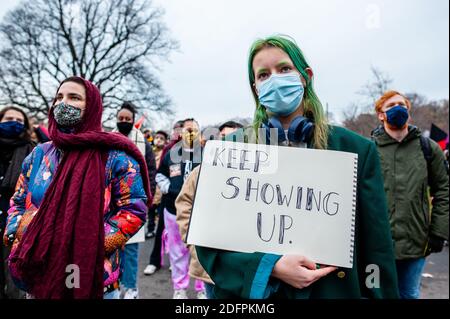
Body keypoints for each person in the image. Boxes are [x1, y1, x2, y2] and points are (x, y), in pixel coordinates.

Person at [195, 35, 399, 299]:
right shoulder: (231, 149)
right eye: (264, 75)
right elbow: (209, 246)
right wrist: (270, 267)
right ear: (256, 87)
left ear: (305, 76)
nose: (275, 79)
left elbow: (377, 249)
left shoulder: (356, 149)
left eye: (284, 69)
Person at [2, 76, 152, 299]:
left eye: (74, 97)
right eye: (59, 97)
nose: (64, 103)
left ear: (91, 106)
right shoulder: (39, 154)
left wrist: (93, 242)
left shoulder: (114, 156)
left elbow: (134, 208)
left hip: (92, 271)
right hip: (39, 268)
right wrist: (20, 232)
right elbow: (18, 200)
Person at [372, 90, 449, 299]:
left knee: (409, 293)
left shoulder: (427, 148)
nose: (398, 109)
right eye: (391, 106)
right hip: (379, 242)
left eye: (402, 105)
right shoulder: (370, 148)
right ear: (381, 114)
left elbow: (443, 189)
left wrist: (439, 232)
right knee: (378, 295)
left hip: (417, 241)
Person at [175, 121, 242, 299]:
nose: (230, 141)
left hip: (243, 269)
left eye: (236, 137)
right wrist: (193, 244)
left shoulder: (255, 175)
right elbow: (184, 207)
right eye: (225, 137)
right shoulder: (200, 172)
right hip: (210, 266)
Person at [156, 118, 206, 299]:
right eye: (187, 130)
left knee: (200, 253)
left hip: (201, 214)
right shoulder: (171, 153)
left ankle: (202, 289)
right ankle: (180, 288)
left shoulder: (208, 153)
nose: (190, 133)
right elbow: (159, 174)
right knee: (177, 253)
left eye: (194, 129)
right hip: (173, 211)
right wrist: (168, 188)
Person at [114, 101, 157, 299]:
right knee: (112, 246)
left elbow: (150, 170)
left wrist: (148, 198)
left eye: (127, 119)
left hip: (135, 201)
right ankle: (114, 285)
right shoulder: (108, 138)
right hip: (111, 202)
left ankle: (131, 288)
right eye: (121, 119)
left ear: (133, 120)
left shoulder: (143, 142)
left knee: (131, 248)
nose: (124, 122)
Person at [0, 106, 35, 299]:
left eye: (19, 120)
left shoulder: (32, 151)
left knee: (16, 286)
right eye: (8, 118)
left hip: (16, 227)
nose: (14, 122)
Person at [143, 121, 183, 276]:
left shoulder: (194, 151)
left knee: (181, 235)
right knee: (161, 231)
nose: (177, 133)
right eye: (175, 130)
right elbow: (160, 173)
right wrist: (168, 189)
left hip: (187, 202)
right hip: (168, 199)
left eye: (180, 130)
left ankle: (176, 262)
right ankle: (154, 262)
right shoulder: (169, 150)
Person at [146, 130, 169, 238]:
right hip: (151, 184)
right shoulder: (149, 151)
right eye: (157, 138)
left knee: (161, 211)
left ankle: (163, 232)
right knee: (150, 210)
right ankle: (150, 229)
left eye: (161, 138)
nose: (158, 140)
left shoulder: (166, 153)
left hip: (161, 187)